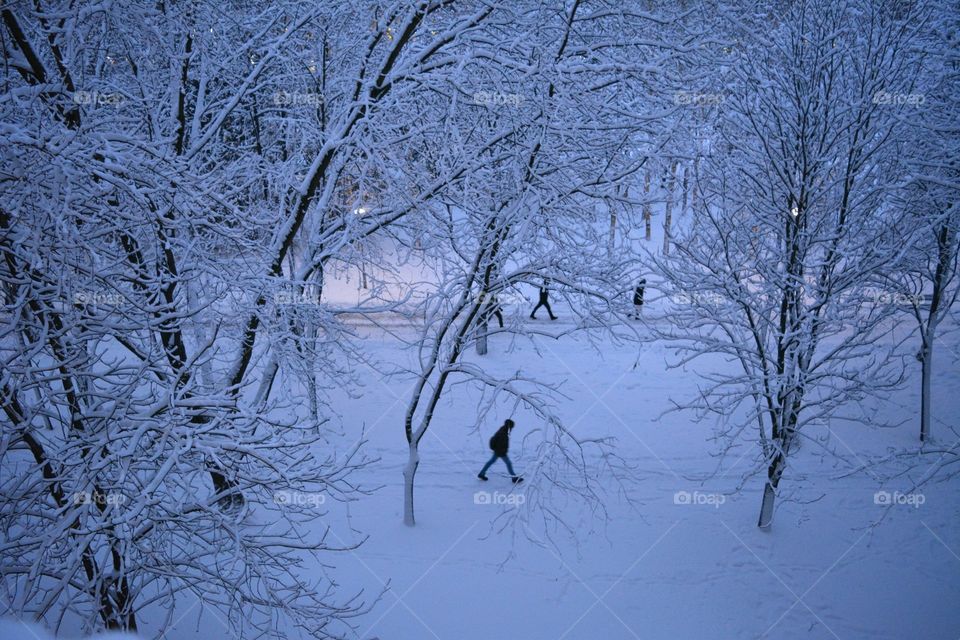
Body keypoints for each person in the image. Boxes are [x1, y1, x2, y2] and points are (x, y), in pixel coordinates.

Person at [478, 419, 523, 483]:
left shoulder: (503, 430)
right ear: (509, 426)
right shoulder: (503, 433)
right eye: (512, 427)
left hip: (499, 451)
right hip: (500, 452)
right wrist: (502, 452)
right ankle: (514, 478)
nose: (512, 429)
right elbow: (500, 444)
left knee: (491, 462)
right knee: (508, 463)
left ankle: (481, 474)